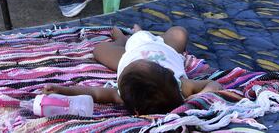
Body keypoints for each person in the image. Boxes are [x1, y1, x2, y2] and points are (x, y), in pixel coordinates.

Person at [42, 25, 223, 115]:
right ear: (168, 73)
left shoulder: (122, 94)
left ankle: (122, 40)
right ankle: (137, 33)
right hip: (164, 48)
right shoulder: (182, 85)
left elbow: (94, 93)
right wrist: (199, 98)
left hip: (131, 50)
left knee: (99, 50)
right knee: (179, 32)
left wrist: (63, 90)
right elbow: (213, 84)